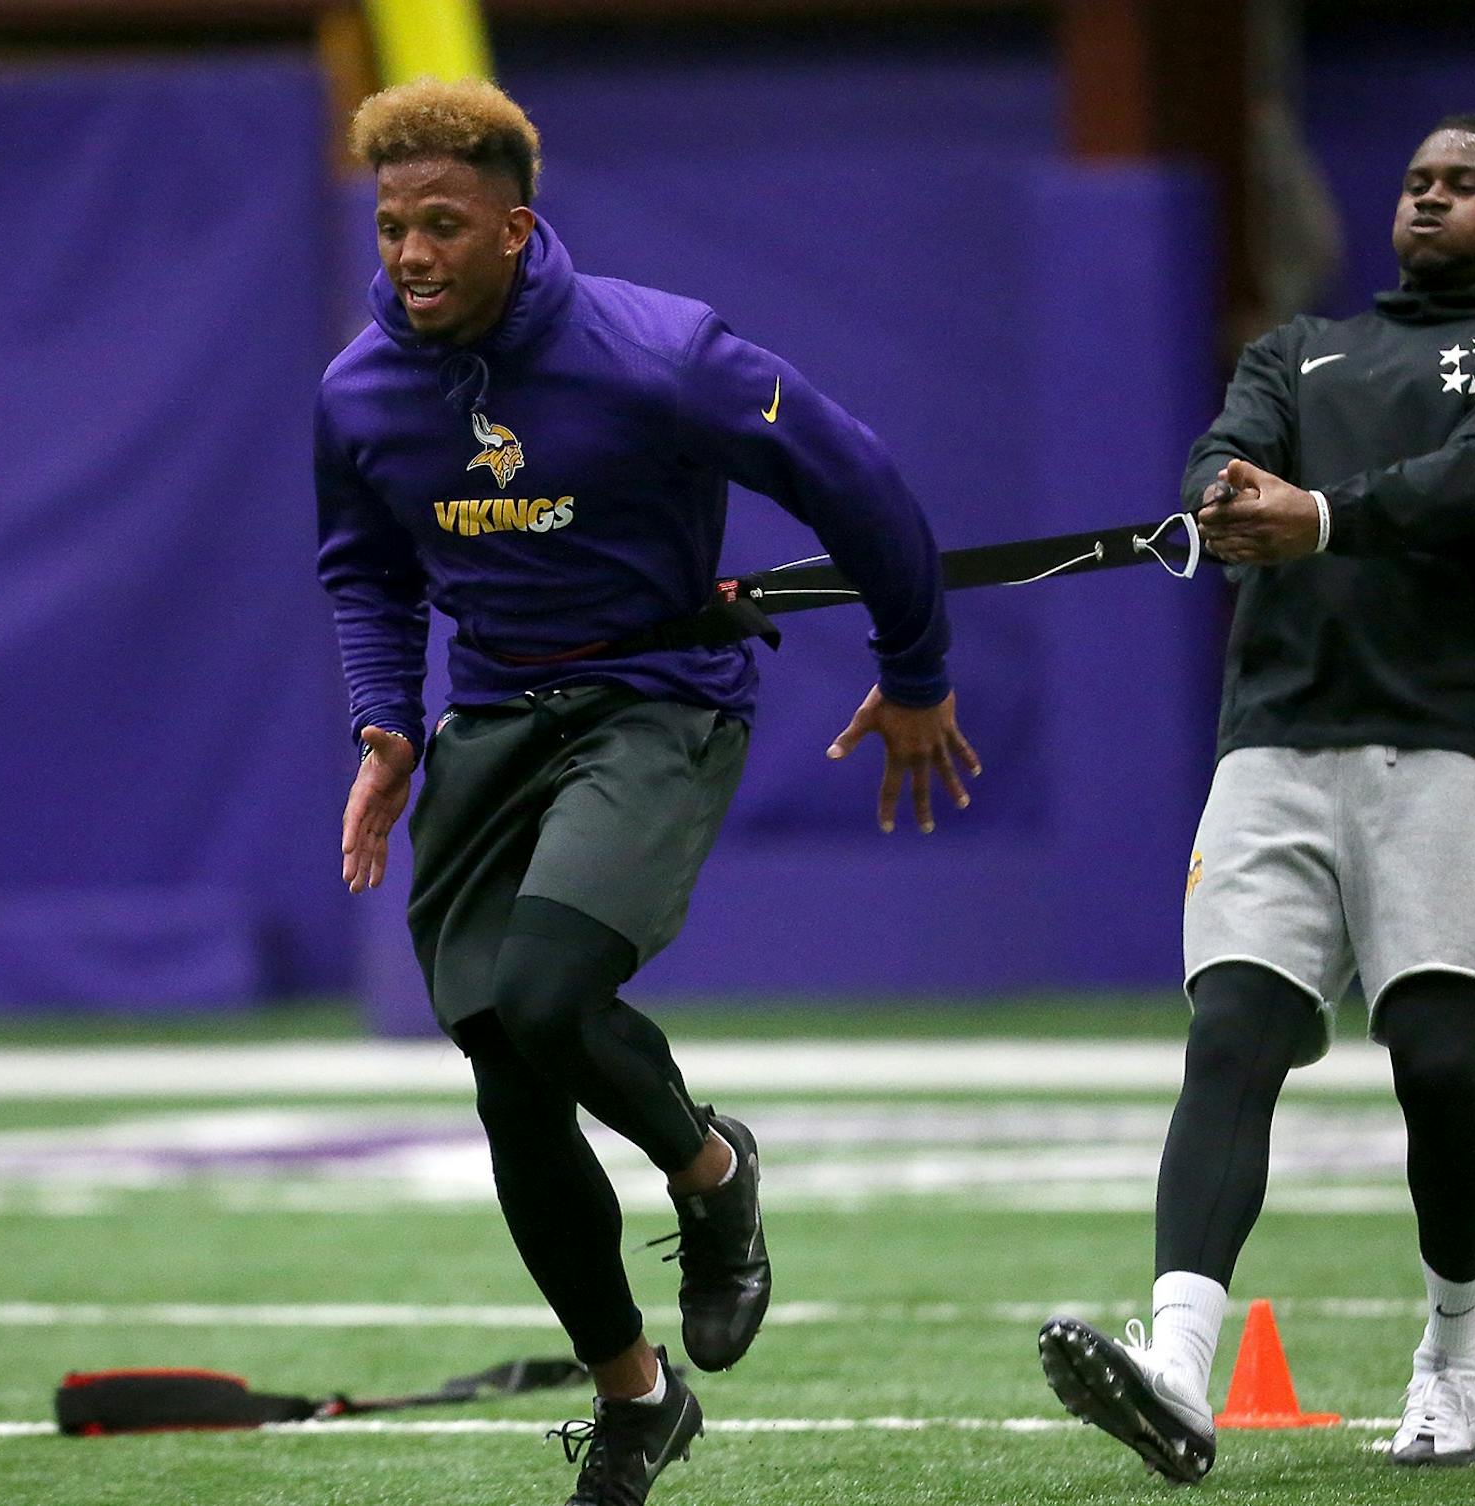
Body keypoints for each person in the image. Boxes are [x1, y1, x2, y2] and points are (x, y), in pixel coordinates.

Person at [315, 79, 979, 1506]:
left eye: (443, 225)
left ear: (515, 228)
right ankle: (636, 1397)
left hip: (656, 702)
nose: (412, 254)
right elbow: (364, 567)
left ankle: (711, 1167)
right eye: (391, 226)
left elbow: (853, 477)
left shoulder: (660, 354)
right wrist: (386, 727)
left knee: (548, 998)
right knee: (507, 1073)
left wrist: (914, 668)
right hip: (490, 719)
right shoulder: (360, 388)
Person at [1039, 113, 1475, 1479]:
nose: (1428, 198)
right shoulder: (1297, 350)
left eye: (1464, 184)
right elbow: (1221, 452)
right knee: (1233, 1034)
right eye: (1417, 178)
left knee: (1435, 1057)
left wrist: (1316, 517)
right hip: (1276, 740)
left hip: (1453, 743)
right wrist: (1226, 489)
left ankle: (1452, 1349)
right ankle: (1178, 1368)